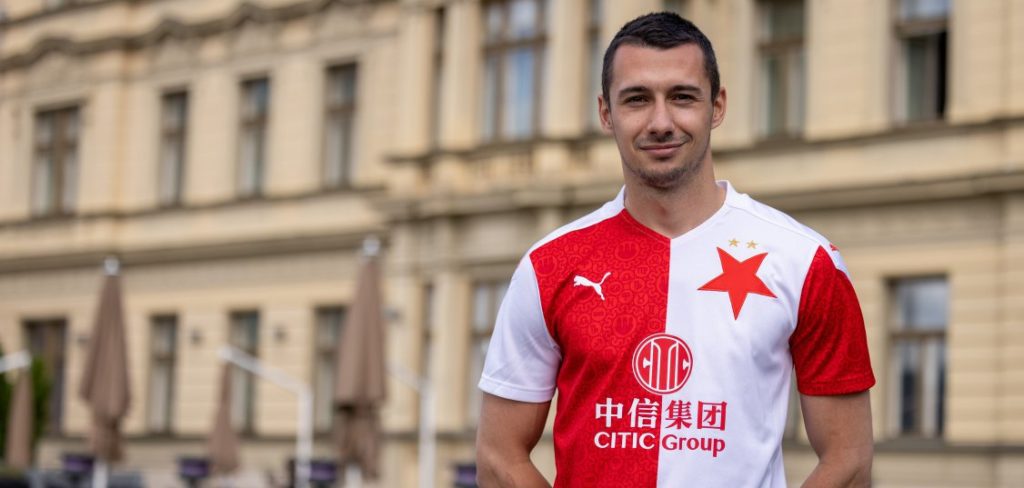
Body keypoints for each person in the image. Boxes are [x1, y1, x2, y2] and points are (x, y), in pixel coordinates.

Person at [475, 11, 875, 488]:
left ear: (717, 106)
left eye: (682, 97)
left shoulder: (804, 260)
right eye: (637, 99)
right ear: (606, 113)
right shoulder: (550, 266)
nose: (661, 122)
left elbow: (849, 459)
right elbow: (498, 457)